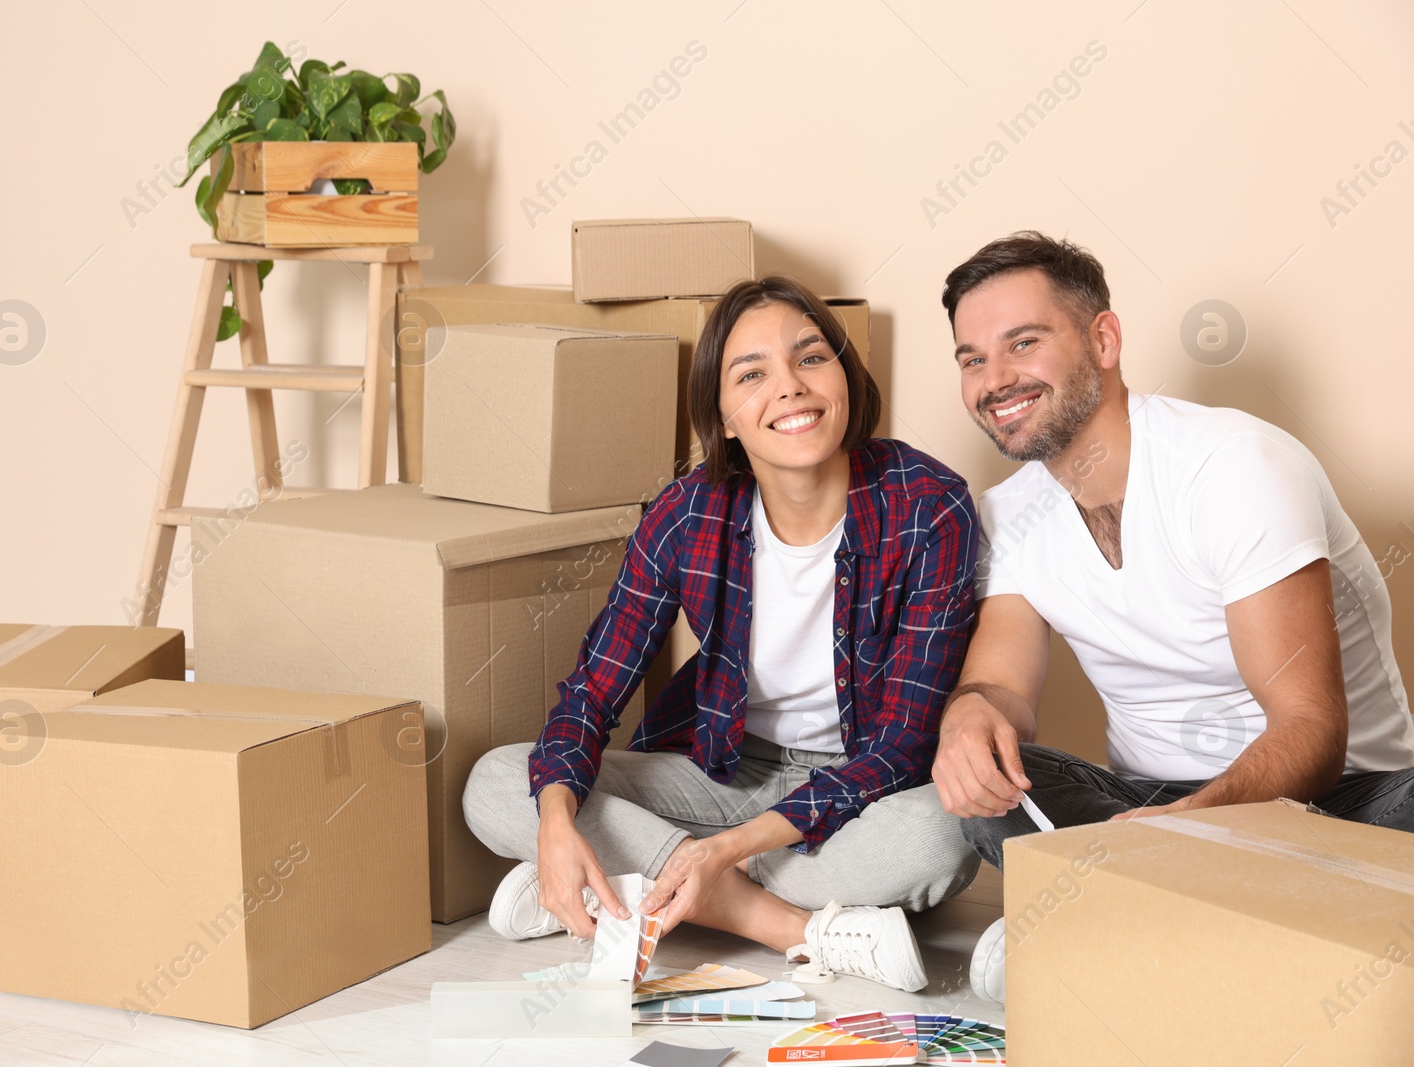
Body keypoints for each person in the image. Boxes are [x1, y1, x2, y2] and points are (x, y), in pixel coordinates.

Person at [930, 231, 1414, 1004]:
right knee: (985, 794)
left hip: (1340, 805)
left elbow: (1310, 731)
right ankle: (1204, 923)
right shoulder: (1009, 513)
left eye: (1023, 342)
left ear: (1104, 338)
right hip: (1145, 804)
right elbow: (1001, 684)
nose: (997, 378)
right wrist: (968, 720)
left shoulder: (1236, 466)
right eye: (972, 358)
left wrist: (1181, 834)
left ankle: (1131, 925)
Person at [463, 276, 982, 990]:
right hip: (722, 772)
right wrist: (555, 818)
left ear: (847, 377)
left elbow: (903, 748)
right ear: (727, 418)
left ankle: (622, 890)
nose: (791, 387)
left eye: (810, 358)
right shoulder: (687, 513)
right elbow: (593, 691)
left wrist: (728, 848)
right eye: (753, 373)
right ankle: (790, 927)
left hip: (861, 789)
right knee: (499, 781)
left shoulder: (929, 504)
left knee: (946, 832)